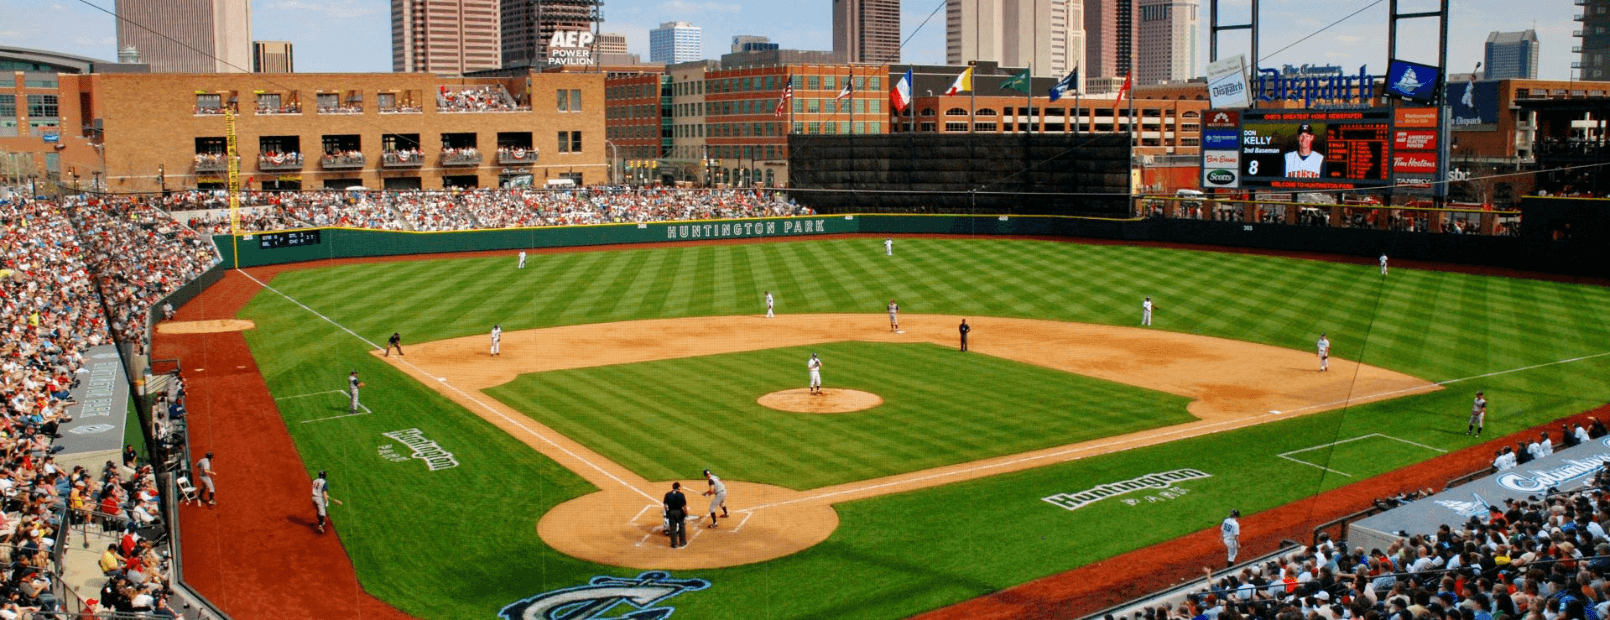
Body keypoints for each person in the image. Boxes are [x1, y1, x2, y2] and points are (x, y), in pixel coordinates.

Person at [663, 482, 688, 548]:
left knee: (673, 528)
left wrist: (668, 512)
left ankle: (673, 544)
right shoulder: (681, 494)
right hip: (679, 512)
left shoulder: (667, 494)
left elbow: (665, 506)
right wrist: (686, 513)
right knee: (681, 527)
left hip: (671, 512)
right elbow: (684, 506)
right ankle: (682, 542)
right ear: (678, 487)